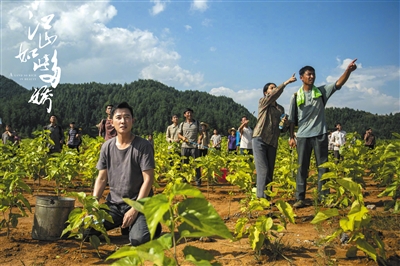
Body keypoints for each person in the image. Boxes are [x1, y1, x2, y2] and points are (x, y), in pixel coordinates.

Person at [288, 59, 357, 208]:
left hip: (320, 134)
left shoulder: (321, 92)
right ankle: (300, 198)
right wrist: (291, 136)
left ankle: (324, 197)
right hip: (302, 136)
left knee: (323, 167)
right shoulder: (295, 96)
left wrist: (348, 71)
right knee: (302, 168)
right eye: (308, 74)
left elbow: (338, 83)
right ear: (302, 77)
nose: (312, 77)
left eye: (313, 74)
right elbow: (292, 119)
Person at [92, 102, 161, 246]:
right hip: (114, 206)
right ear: (111, 122)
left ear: (133, 121)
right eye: (119, 117)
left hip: (139, 203)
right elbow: (102, 178)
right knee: (87, 231)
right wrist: (93, 204)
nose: (123, 121)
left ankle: (151, 222)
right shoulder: (107, 147)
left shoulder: (143, 146)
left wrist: (134, 209)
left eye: (127, 117)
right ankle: (126, 222)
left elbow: (148, 179)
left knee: (138, 239)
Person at [253, 74, 297, 199]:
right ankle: (260, 199)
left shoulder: (280, 109)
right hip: (260, 139)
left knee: (270, 172)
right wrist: (286, 82)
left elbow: (281, 129)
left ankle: (267, 197)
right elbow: (274, 95)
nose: (274, 89)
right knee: (263, 170)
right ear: (266, 92)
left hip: (272, 142)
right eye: (271, 88)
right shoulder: (263, 102)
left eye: (275, 87)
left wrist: (285, 124)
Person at [178, 108, 202, 186]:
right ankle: (185, 181)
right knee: (184, 164)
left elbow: (201, 134)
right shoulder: (182, 124)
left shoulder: (197, 123)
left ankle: (198, 181)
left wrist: (199, 140)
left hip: (194, 146)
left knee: (196, 164)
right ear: (185, 115)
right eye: (188, 113)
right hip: (184, 146)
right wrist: (183, 138)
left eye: (191, 113)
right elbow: (179, 134)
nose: (189, 114)